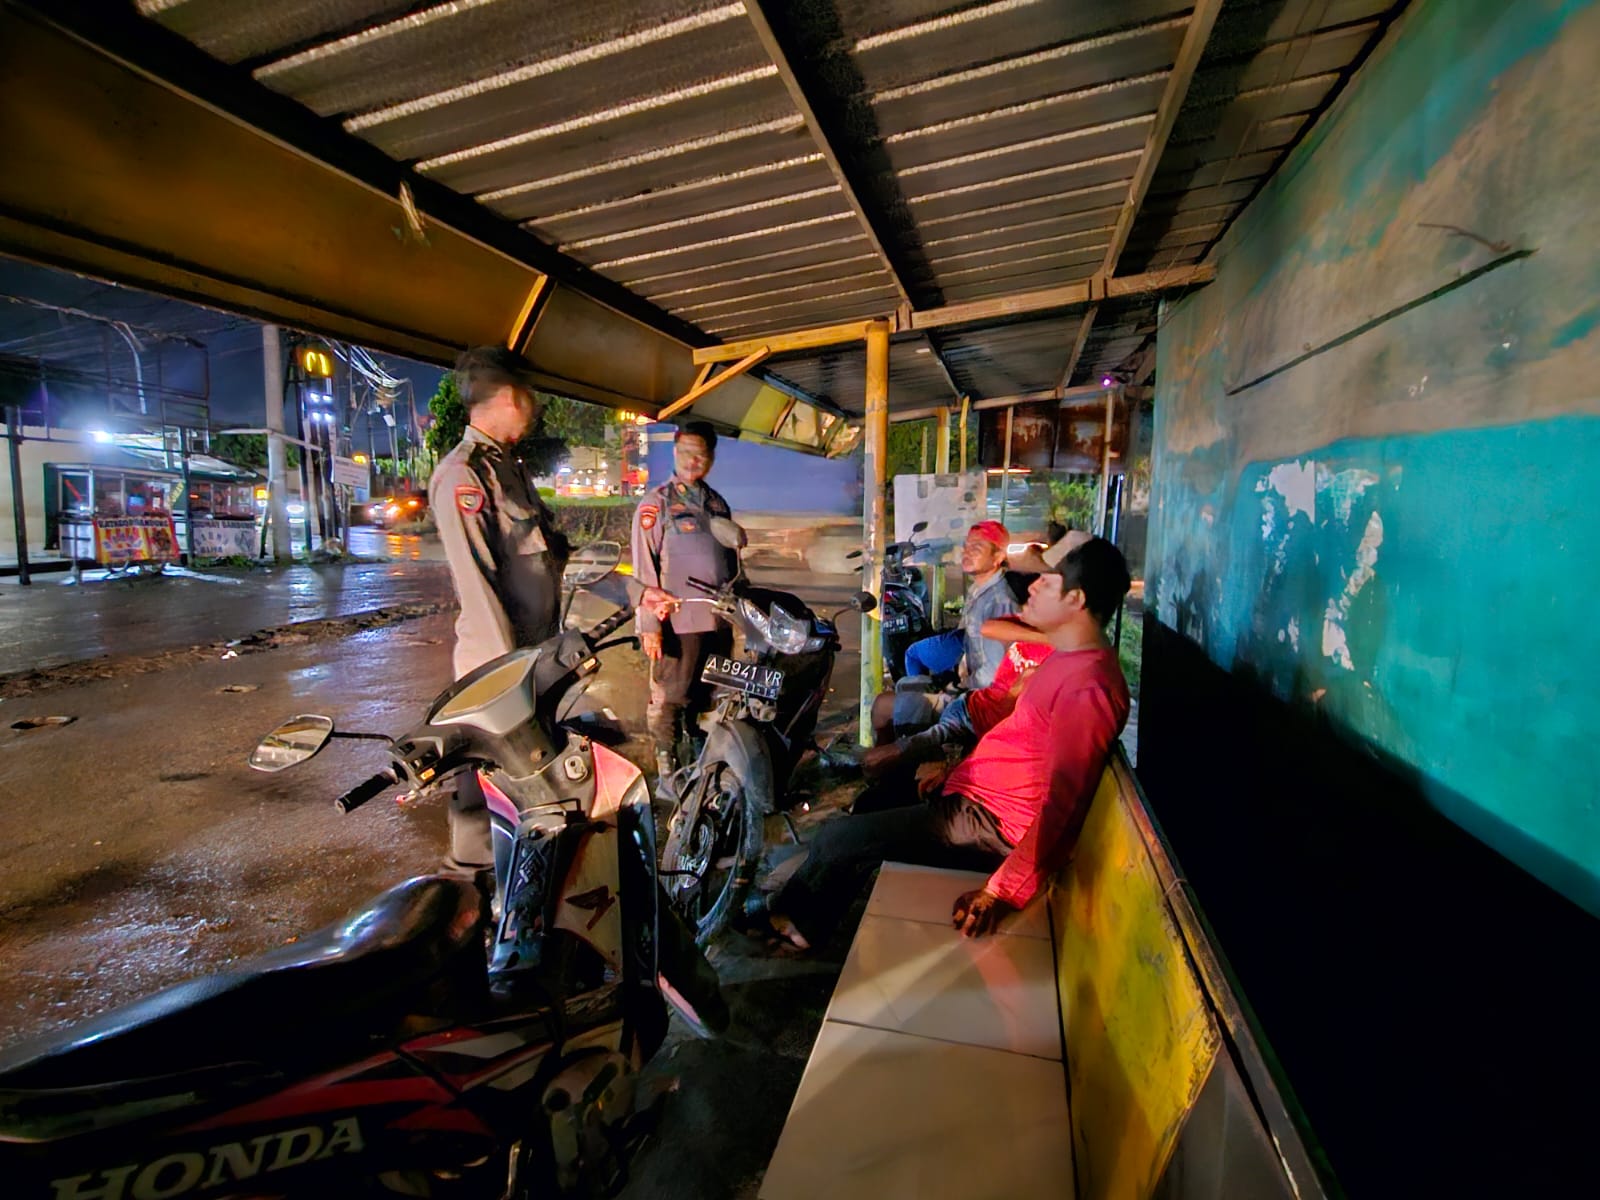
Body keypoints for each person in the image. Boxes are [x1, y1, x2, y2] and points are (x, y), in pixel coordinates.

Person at [763, 536, 1133, 947]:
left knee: (838, 838)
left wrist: (1001, 891)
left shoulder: (1089, 688)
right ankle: (810, 916)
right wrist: (957, 771)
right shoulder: (1066, 658)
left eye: (1048, 580)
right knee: (873, 801)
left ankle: (793, 930)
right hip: (976, 796)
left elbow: (1063, 808)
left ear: (1076, 599)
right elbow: (1019, 743)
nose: (1033, 586)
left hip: (990, 825)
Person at [429, 345, 568, 872]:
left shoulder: (507, 468)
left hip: (530, 663)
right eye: (529, 393)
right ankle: (478, 895)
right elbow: (479, 587)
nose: (535, 405)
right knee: (485, 807)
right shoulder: (465, 476)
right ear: (510, 396)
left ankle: (519, 886)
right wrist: (505, 689)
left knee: (528, 797)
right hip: (498, 677)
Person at [631, 420, 741, 788]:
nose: (693, 461)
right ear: (675, 452)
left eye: (701, 455)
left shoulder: (717, 503)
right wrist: (650, 626)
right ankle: (667, 773)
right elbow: (644, 572)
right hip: (678, 622)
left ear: (711, 459)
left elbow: (731, 564)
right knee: (671, 698)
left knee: (707, 695)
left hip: (717, 622)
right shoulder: (657, 503)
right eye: (686, 452)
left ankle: (698, 767)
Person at [870, 520, 1015, 744]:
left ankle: (899, 759)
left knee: (882, 707)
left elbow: (991, 674)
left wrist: (956, 688)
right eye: (967, 546)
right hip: (971, 689)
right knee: (904, 685)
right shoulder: (981, 590)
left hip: (979, 705)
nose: (967, 552)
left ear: (998, 557)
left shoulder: (997, 601)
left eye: (977, 548)